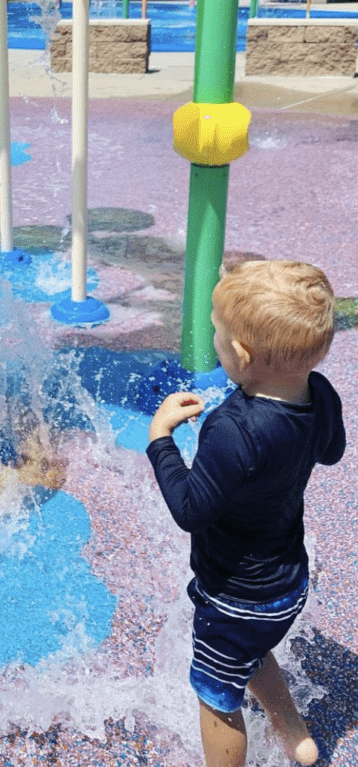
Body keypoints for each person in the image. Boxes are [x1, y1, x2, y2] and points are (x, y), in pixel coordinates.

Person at [146, 260, 345, 767]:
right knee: (249, 653)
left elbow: (190, 509)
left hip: (236, 596)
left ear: (240, 352)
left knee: (217, 696)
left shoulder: (234, 428)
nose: (213, 335)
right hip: (286, 586)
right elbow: (331, 451)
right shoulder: (320, 395)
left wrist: (160, 440)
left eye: (217, 328)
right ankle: (296, 734)